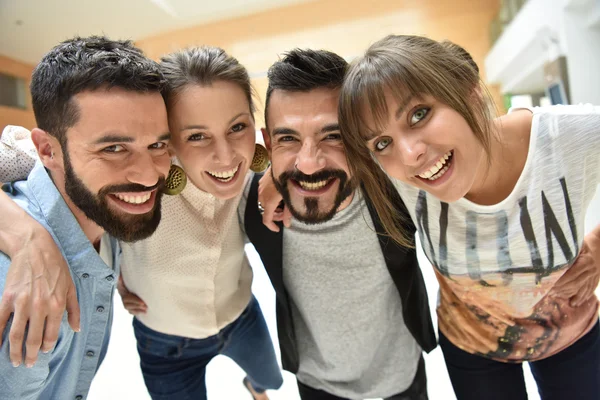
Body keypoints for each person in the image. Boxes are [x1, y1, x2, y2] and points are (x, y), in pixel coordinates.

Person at [0, 46, 283, 400]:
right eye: (195, 135)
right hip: (164, 340)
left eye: (237, 127)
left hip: (241, 315)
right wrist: (26, 236)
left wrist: (277, 174)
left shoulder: (243, 174)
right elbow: (18, 151)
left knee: (272, 379)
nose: (225, 157)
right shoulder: (140, 192)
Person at [337, 34, 600, 399]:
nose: (410, 154)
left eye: (419, 114)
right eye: (382, 143)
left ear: (470, 91)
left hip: (571, 334)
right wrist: (265, 179)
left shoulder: (569, 137)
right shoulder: (394, 177)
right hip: (471, 346)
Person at [244, 48, 436, 400]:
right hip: (317, 382)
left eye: (332, 135)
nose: (309, 163)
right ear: (268, 143)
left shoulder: (397, 188)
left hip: (402, 374)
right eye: (287, 138)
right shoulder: (253, 206)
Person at [0, 36, 171, 399]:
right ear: (47, 149)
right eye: (113, 148)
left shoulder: (103, 210)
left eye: (157, 144)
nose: (148, 175)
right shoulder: (15, 288)